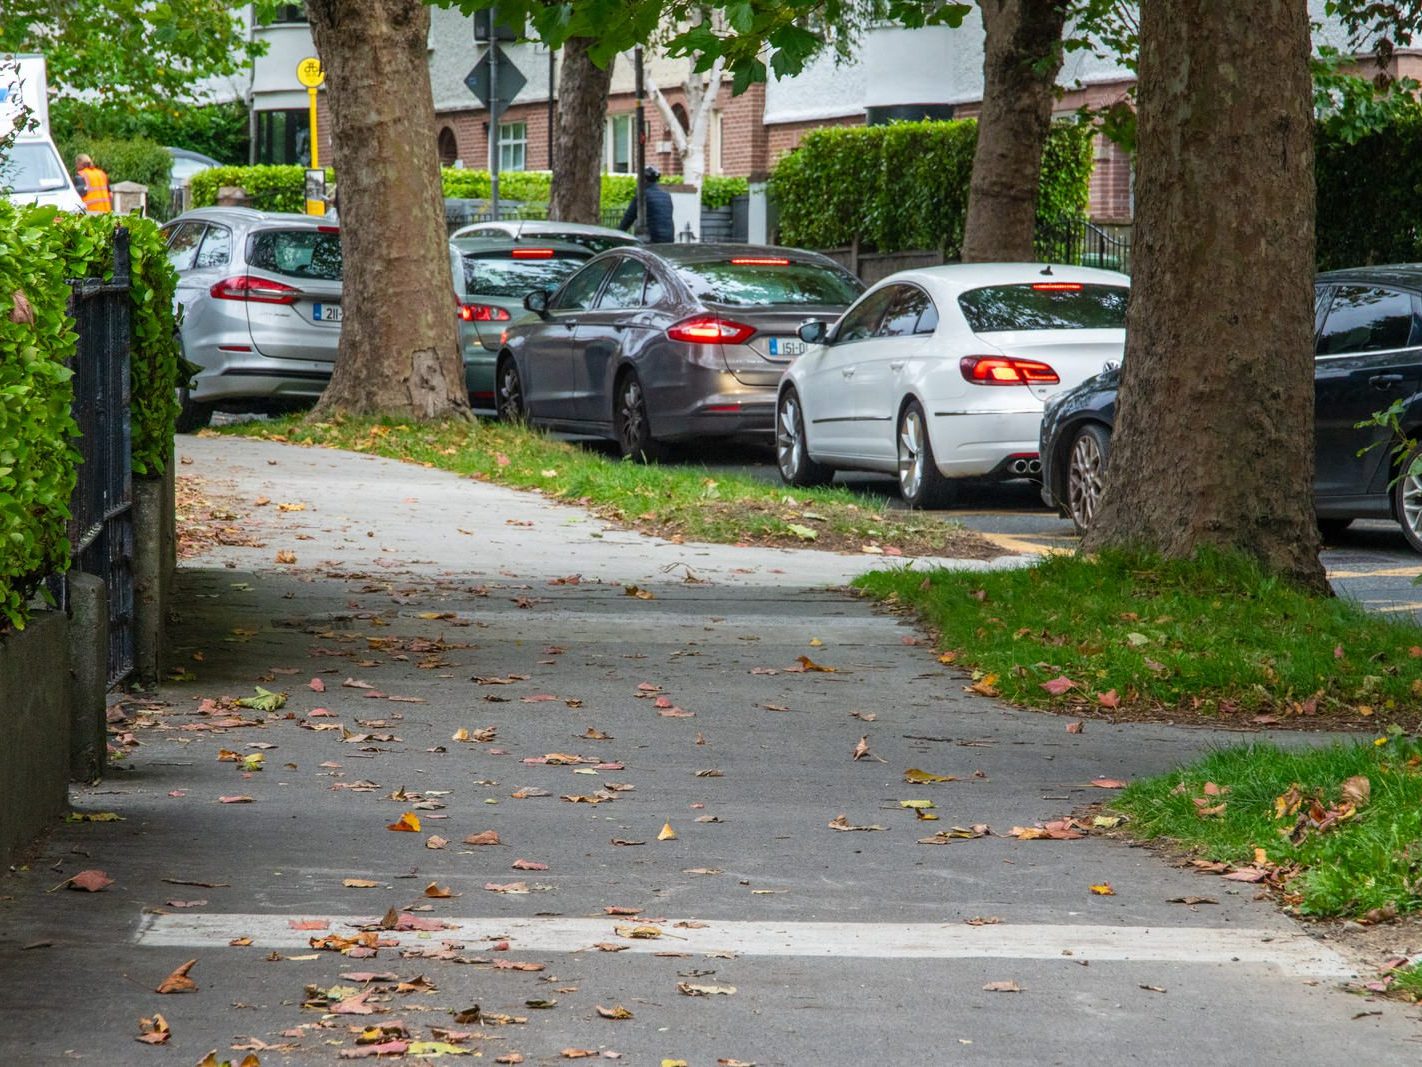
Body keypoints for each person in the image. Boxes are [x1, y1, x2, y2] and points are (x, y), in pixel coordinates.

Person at [619, 165, 674, 243]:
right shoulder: (667, 196)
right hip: (669, 239)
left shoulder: (642, 196)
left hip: (650, 240)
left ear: (644, 179)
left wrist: (618, 234)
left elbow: (628, 219)